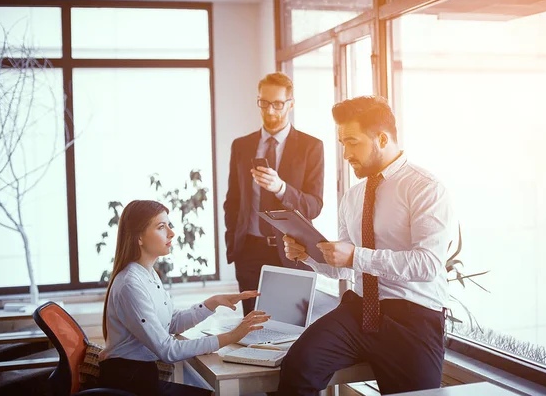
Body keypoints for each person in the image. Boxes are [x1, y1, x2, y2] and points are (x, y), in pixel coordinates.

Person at [277, 96, 456, 395]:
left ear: (382, 138)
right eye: (342, 143)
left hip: (413, 318)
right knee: (298, 366)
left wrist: (356, 256)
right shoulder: (353, 195)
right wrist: (308, 254)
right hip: (358, 311)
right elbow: (342, 269)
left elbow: (428, 265)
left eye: (352, 142)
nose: (345, 153)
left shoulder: (426, 188)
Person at [99, 200, 269, 396]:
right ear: (139, 238)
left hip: (142, 376)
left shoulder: (148, 274)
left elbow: (171, 323)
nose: (171, 233)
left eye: (169, 225)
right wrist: (230, 337)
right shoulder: (130, 285)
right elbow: (168, 350)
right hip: (129, 382)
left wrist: (211, 303)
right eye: (161, 227)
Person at [223, 72, 325, 315]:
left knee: (290, 327)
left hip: (292, 250)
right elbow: (233, 200)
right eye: (264, 103)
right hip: (248, 252)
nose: (270, 111)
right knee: (252, 327)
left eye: (278, 104)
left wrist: (281, 188)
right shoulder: (242, 145)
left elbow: (314, 206)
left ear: (290, 104)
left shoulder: (311, 147)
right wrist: (234, 244)